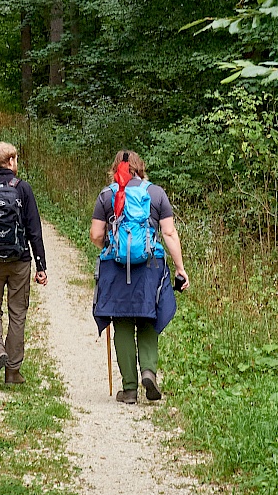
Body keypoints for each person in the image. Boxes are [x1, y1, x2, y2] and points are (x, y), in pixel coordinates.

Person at [90, 150, 189, 404]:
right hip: (150, 266)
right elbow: (168, 233)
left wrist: (113, 248)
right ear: (140, 168)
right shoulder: (156, 194)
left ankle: (130, 390)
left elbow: (95, 235)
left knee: (121, 321)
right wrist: (180, 268)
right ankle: (148, 371)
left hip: (115, 268)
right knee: (148, 317)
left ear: (116, 169)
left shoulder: (106, 195)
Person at [0, 141, 47, 387]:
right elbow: (34, 229)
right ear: (11, 161)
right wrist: (41, 265)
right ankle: (13, 371)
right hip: (20, 261)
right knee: (17, 312)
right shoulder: (23, 189)